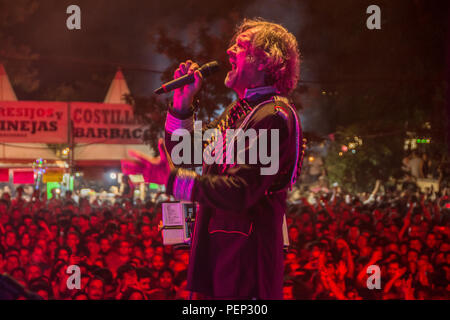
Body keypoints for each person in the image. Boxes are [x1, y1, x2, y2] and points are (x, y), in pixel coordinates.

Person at [122, 18, 303, 299]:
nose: (229, 51)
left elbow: (239, 191)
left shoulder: (273, 117)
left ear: (265, 61)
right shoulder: (243, 112)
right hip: (223, 262)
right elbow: (187, 154)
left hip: (245, 272)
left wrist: (171, 181)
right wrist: (182, 106)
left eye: (241, 47)